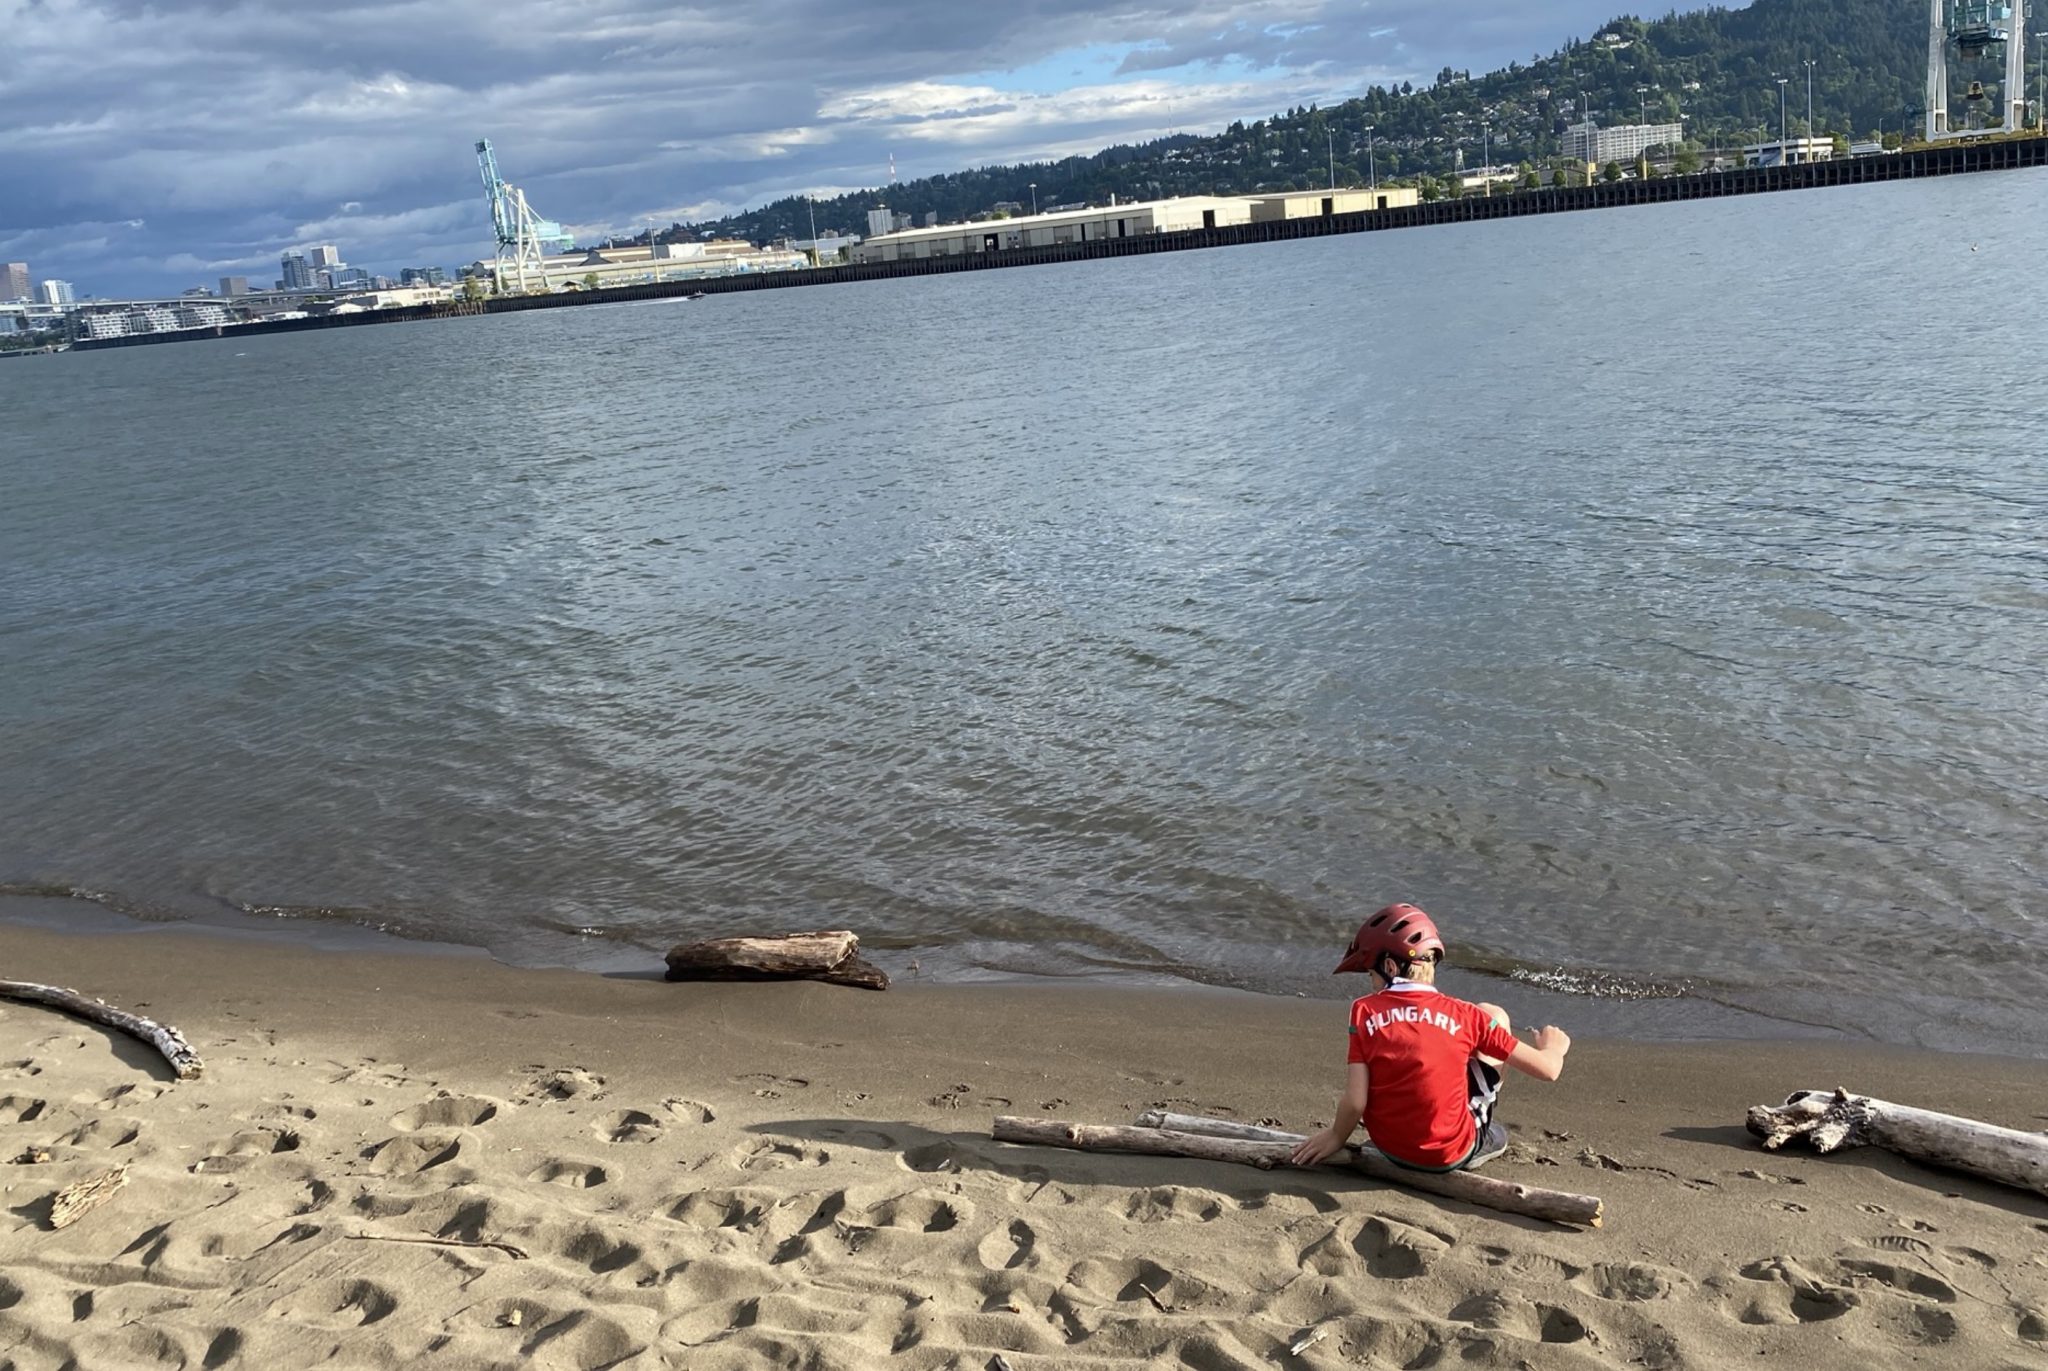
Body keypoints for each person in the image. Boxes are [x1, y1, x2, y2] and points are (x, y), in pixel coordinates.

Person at [1289, 903, 1570, 1173]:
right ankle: (1476, 1134)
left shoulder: (1364, 1010)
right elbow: (1549, 1070)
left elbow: (1355, 1102)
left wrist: (1337, 1136)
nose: (1372, 984)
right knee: (1495, 1013)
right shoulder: (1468, 1016)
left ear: (1389, 967)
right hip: (1449, 1152)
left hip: (1389, 1146)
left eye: (1371, 975)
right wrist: (1554, 1047)